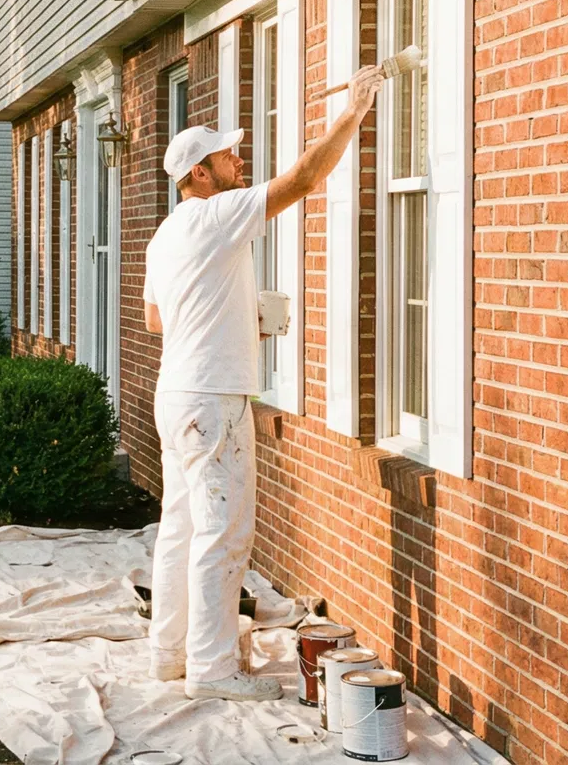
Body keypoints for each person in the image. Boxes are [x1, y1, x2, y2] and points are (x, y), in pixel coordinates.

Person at [142, 62, 384, 701]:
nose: (239, 161)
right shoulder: (215, 214)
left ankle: (168, 655)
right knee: (224, 534)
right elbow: (303, 178)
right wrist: (355, 109)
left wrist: (235, 315)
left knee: (182, 528)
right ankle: (214, 671)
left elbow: (155, 317)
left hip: (178, 393)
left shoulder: (166, 234)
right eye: (229, 155)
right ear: (201, 173)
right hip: (214, 400)